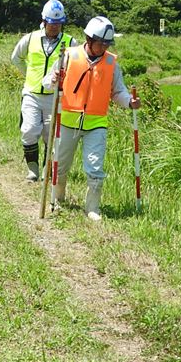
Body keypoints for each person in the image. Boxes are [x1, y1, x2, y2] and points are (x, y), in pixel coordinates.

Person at [42, 16, 140, 221]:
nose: (103, 47)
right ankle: (58, 198)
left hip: (96, 124)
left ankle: (92, 208)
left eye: (107, 43)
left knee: (95, 168)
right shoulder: (68, 55)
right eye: (100, 42)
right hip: (67, 122)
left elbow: (118, 91)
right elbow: (48, 83)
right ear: (88, 38)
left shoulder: (112, 63)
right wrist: (53, 79)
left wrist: (129, 102)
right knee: (60, 165)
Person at [10, 0, 77, 182]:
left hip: (54, 97)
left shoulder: (70, 42)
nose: (55, 27)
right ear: (44, 21)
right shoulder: (30, 38)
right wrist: (28, 75)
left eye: (58, 23)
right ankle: (33, 169)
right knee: (29, 129)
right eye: (51, 23)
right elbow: (16, 58)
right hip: (31, 93)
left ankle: (48, 169)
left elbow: (75, 67)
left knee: (51, 135)